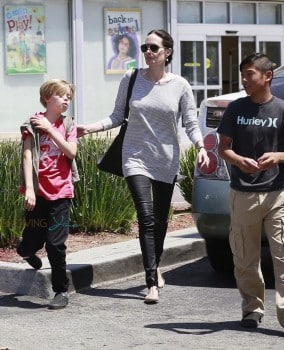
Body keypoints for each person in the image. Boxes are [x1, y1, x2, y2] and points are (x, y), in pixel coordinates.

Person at [78, 29, 209, 304]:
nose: (148, 53)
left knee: (160, 220)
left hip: (165, 158)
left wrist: (201, 147)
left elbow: (190, 123)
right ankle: (151, 282)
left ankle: (156, 265)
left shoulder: (181, 86)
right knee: (146, 217)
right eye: (145, 48)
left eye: (153, 48)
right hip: (134, 156)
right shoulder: (132, 78)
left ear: (167, 52)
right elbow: (116, 115)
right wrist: (90, 127)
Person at [217, 53, 284, 336]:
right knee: (245, 257)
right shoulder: (235, 109)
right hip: (242, 194)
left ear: (267, 76)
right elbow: (223, 148)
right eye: (243, 75)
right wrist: (238, 160)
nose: (245, 80)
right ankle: (252, 309)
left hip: (275, 196)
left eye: (250, 74)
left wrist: (279, 156)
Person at [17, 79, 77, 310]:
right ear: (47, 98)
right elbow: (26, 156)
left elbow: (71, 152)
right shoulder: (31, 124)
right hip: (39, 193)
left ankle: (61, 291)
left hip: (62, 193)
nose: (66, 100)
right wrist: (30, 189)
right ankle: (25, 250)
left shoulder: (68, 125)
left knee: (55, 244)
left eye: (68, 97)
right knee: (32, 239)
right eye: (61, 96)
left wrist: (51, 129)